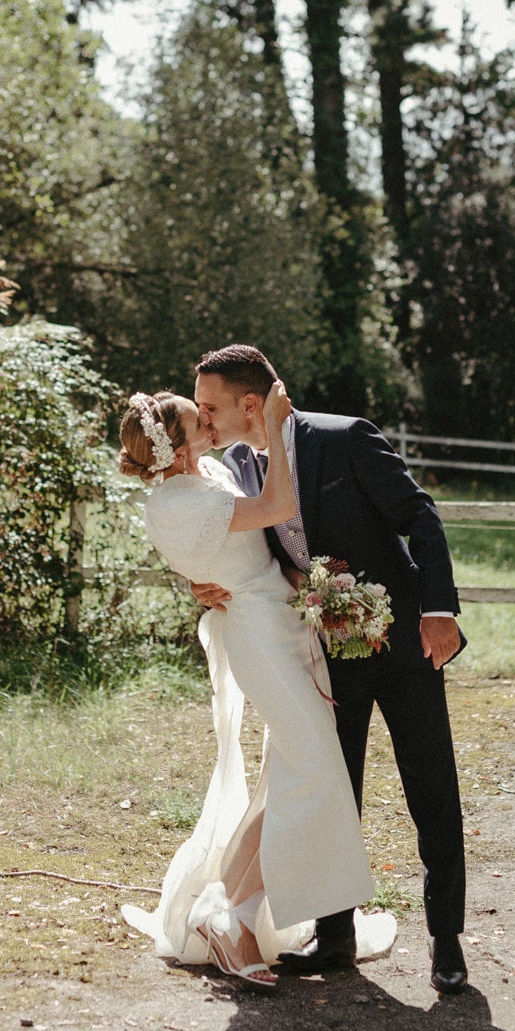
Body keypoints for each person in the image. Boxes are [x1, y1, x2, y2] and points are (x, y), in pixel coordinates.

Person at [192, 344, 470, 995]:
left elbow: (419, 515)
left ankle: (447, 942)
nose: (203, 420)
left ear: (250, 404)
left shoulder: (344, 439)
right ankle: (335, 936)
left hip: (404, 648)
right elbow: (248, 557)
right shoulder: (233, 469)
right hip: (321, 658)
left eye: (210, 408)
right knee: (330, 793)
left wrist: (438, 610)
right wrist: (213, 585)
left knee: (431, 789)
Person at [117, 381, 392, 989]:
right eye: (199, 423)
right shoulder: (176, 504)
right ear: (179, 450)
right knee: (315, 771)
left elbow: (249, 545)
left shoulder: (203, 476)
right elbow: (274, 510)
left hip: (284, 626)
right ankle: (233, 915)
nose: (210, 425)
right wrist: (273, 421)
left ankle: (226, 908)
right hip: (260, 641)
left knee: (287, 781)